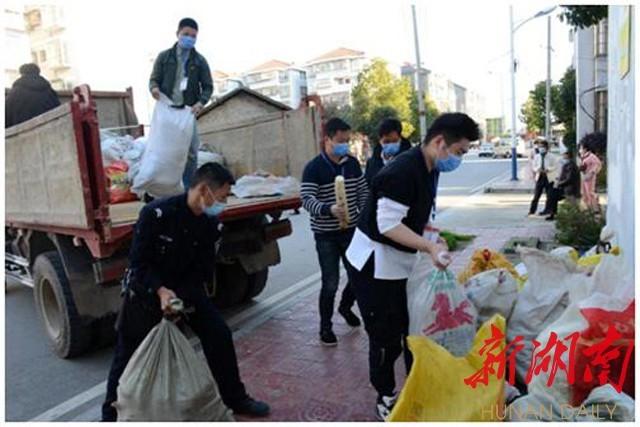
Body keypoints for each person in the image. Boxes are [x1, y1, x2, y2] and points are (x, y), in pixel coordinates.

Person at [101, 163, 270, 421]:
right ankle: (109, 416)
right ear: (204, 190)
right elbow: (139, 263)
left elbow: (203, 269)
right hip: (147, 294)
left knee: (219, 335)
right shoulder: (156, 214)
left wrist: (179, 301)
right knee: (127, 353)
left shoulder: (209, 224)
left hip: (185, 293)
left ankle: (236, 398)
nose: (223, 203)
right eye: (222, 197)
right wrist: (161, 292)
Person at [345, 113, 479, 420]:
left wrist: (433, 236)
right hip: (373, 265)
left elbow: (416, 216)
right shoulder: (402, 171)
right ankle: (385, 395)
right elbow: (388, 225)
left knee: (410, 329)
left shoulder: (430, 166)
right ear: (439, 142)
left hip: (399, 261)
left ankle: (417, 383)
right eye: (458, 152)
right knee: (384, 336)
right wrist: (429, 246)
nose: (458, 159)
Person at [301, 118, 369, 346]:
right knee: (330, 282)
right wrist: (328, 209)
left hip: (351, 231)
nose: (345, 145)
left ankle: (345, 306)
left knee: (358, 275)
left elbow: (362, 192)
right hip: (326, 235)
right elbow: (307, 200)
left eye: (347, 141)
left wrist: (365, 219)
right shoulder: (314, 168)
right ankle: (325, 327)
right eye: (340, 141)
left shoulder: (351, 163)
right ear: (327, 139)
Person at [149, 17, 213, 189]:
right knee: (164, 151)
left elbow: (208, 86)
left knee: (191, 152)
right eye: (186, 34)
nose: (189, 38)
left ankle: (189, 189)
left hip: (187, 112)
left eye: (193, 36)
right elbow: (154, 79)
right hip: (167, 111)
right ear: (177, 34)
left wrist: (201, 103)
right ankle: (161, 187)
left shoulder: (199, 61)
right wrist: (154, 89)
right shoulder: (164, 57)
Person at [5, 63, 60, 128]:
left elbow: (6, 117)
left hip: (24, 133)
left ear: (22, 73)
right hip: (49, 130)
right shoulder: (49, 92)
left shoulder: (15, 93)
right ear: (38, 72)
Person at [364, 118, 412, 185]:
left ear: (400, 138)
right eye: (387, 142)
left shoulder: (410, 161)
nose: (391, 144)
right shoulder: (372, 163)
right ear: (380, 141)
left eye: (394, 141)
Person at [545, 149, 581, 221]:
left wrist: (559, 183)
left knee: (552, 196)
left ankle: (553, 213)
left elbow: (569, 179)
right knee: (551, 195)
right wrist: (558, 180)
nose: (563, 156)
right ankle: (552, 213)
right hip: (566, 187)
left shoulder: (571, 165)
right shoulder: (567, 164)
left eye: (564, 155)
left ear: (568, 156)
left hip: (569, 189)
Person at [528, 139, 558, 217]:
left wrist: (547, 169)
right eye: (540, 147)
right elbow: (533, 166)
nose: (541, 148)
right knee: (536, 195)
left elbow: (555, 166)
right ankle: (532, 211)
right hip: (540, 177)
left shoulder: (552, 156)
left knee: (549, 196)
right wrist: (537, 169)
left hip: (549, 177)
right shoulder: (537, 156)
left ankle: (548, 210)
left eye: (543, 147)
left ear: (546, 148)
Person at [579, 139, 602, 210]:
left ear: (585, 149)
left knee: (590, 192)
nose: (580, 150)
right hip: (584, 176)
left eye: (581, 148)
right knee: (584, 193)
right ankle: (588, 207)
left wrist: (592, 172)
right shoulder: (583, 156)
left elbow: (598, 164)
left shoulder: (591, 156)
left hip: (590, 177)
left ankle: (595, 209)